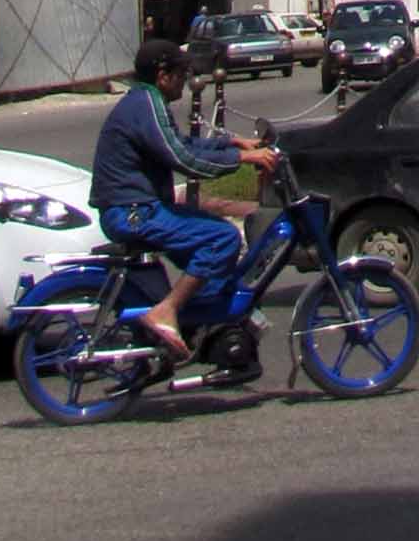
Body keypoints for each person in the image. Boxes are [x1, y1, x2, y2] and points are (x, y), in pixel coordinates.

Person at [88, 38, 282, 362]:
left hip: (139, 208)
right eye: (182, 72)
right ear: (163, 76)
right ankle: (167, 311)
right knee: (222, 237)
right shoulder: (145, 105)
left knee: (213, 244)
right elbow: (183, 158)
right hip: (133, 212)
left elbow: (180, 142)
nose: (186, 79)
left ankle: (199, 323)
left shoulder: (146, 101)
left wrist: (234, 142)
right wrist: (243, 160)